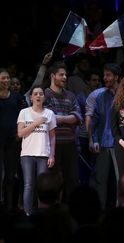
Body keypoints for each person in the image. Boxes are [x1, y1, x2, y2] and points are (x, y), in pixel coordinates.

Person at [44, 61, 82, 202]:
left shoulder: (71, 95)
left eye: (65, 74)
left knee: (72, 178)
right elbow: (48, 118)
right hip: (52, 144)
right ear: (53, 76)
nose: (65, 77)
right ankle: (55, 207)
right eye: (61, 75)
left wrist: (59, 118)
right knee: (55, 178)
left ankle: (71, 207)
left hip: (70, 143)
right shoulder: (45, 95)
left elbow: (78, 117)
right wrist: (68, 118)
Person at [16, 85, 56, 215]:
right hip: (27, 154)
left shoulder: (49, 114)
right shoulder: (24, 112)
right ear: (31, 97)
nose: (38, 96)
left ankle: (41, 214)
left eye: (41, 94)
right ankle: (28, 213)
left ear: (44, 97)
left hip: (43, 154)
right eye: (35, 94)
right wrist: (36, 123)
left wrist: (52, 155)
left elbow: (52, 136)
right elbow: (20, 133)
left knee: (42, 186)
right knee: (28, 184)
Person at [92, 63, 122, 208]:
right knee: (101, 180)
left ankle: (119, 210)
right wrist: (94, 140)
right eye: (104, 75)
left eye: (108, 75)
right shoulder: (101, 96)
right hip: (103, 144)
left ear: (116, 77)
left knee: (119, 181)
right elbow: (95, 121)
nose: (105, 78)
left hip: (119, 144)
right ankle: (101, 211)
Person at [0, 68, 26, 212]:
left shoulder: (17, 97)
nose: (6, 80)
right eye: (3, 78)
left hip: (12, 142)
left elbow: (25, 115)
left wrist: (19, 133)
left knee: (10, 175)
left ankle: (10, 206)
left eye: (7, 78)